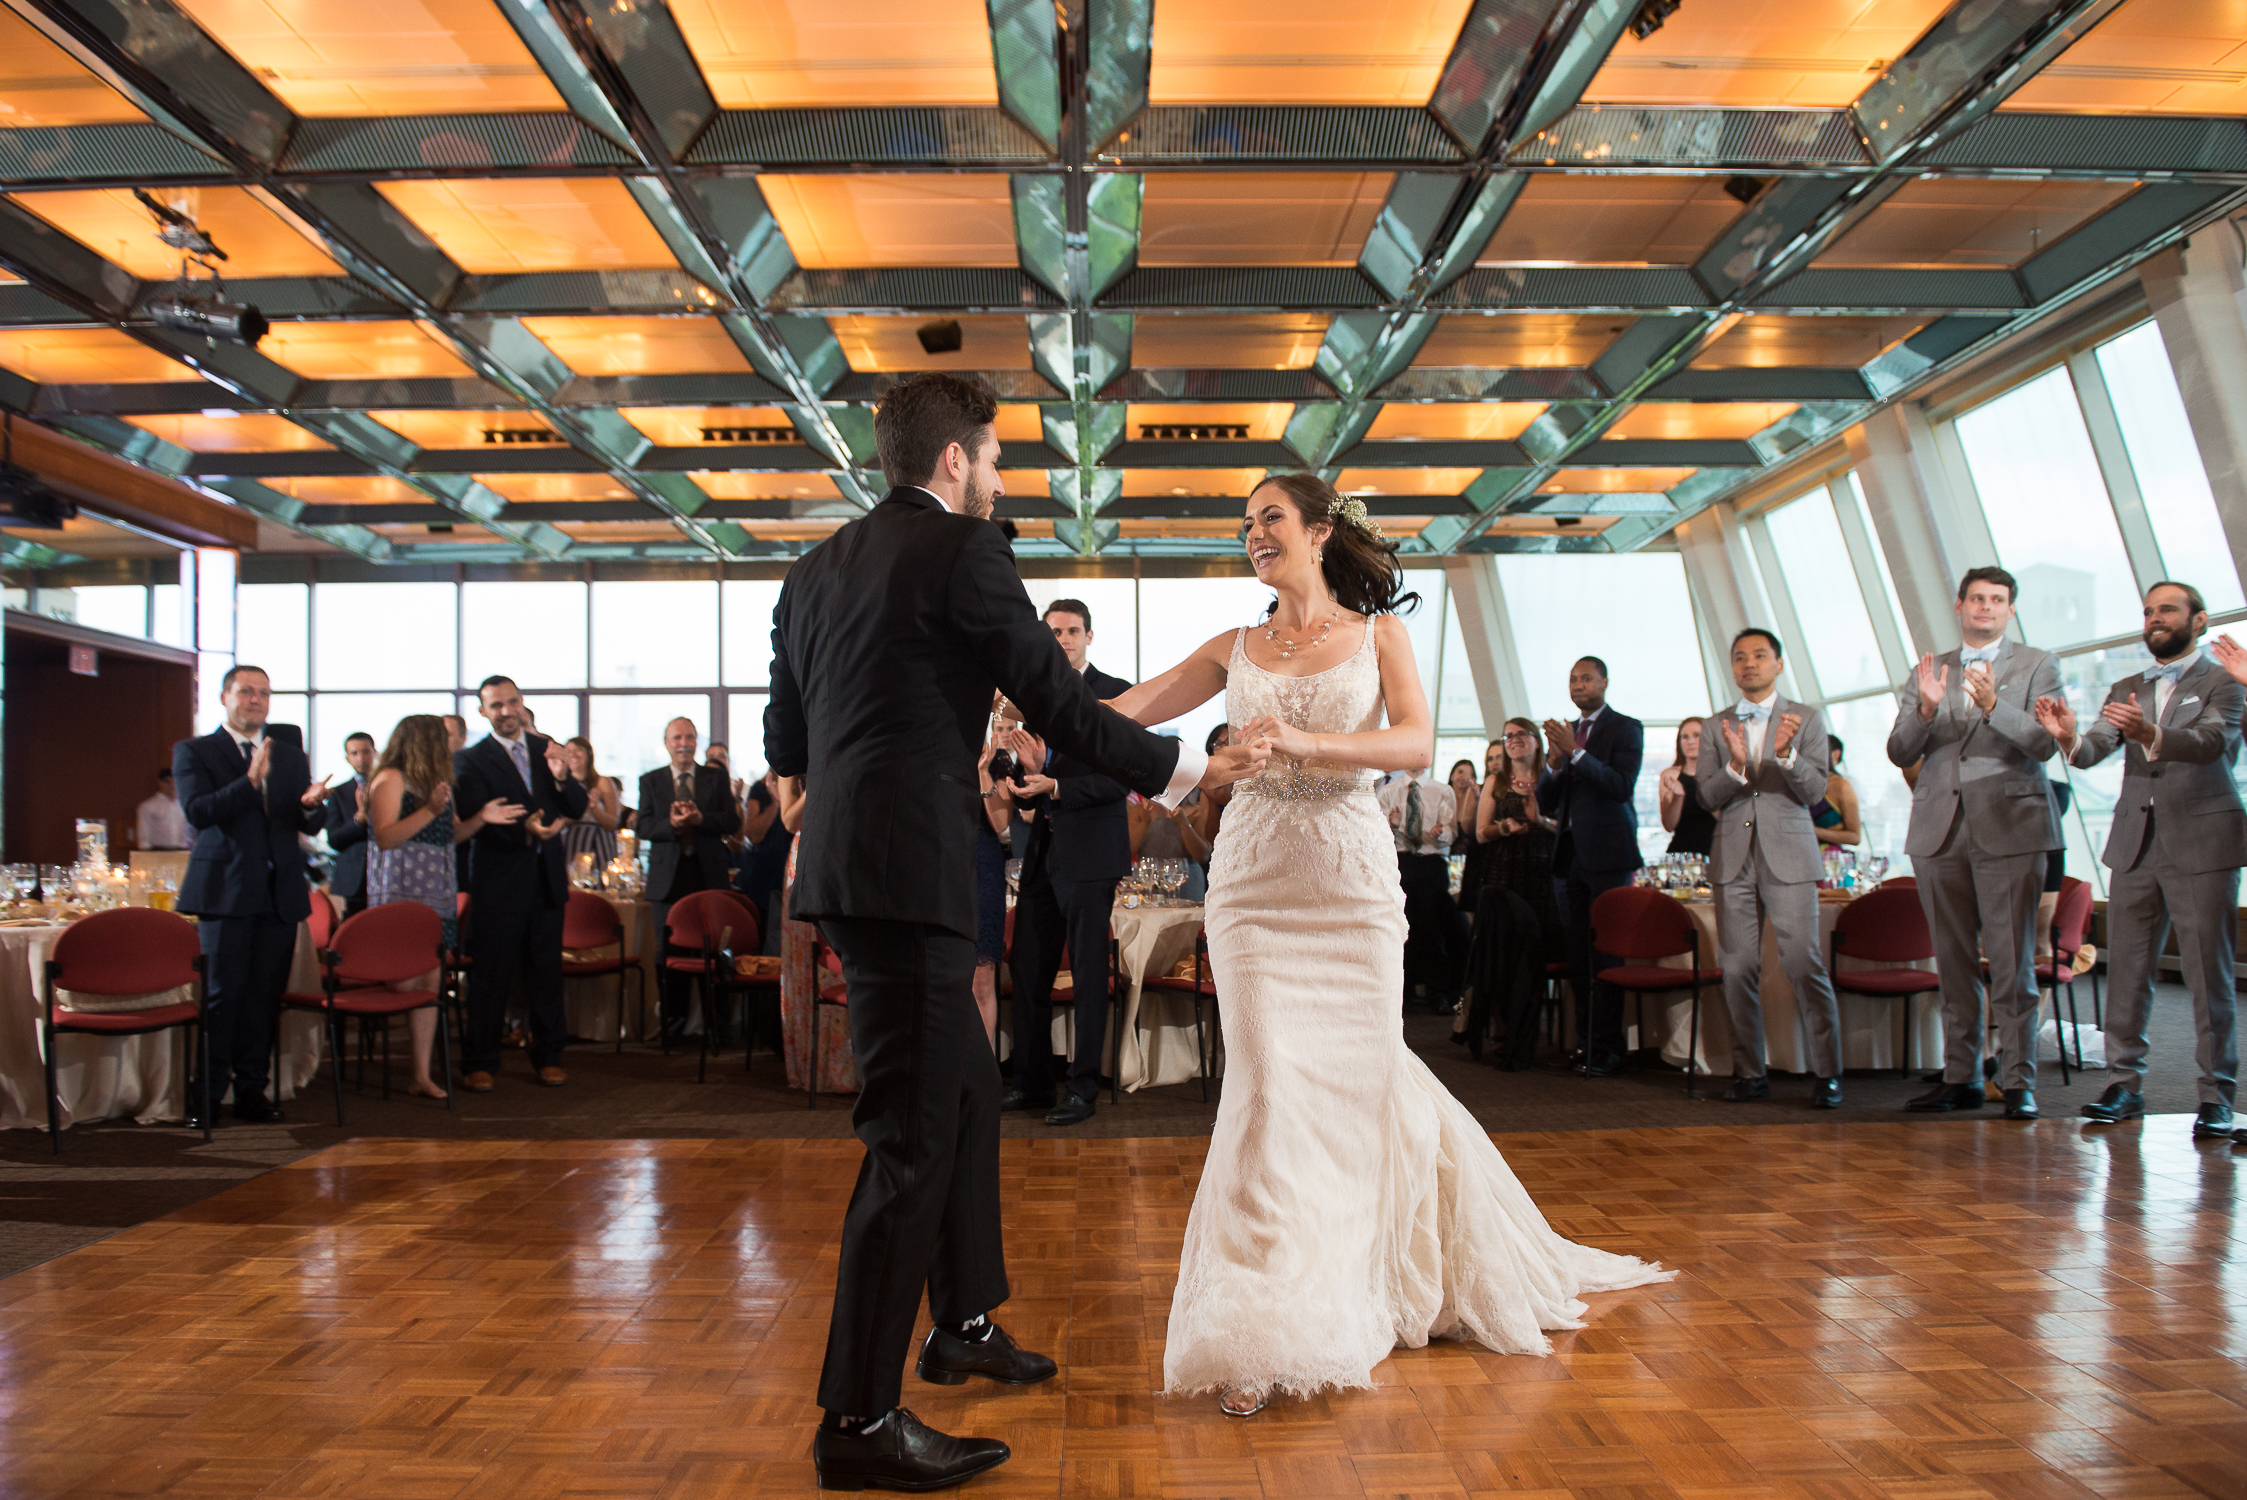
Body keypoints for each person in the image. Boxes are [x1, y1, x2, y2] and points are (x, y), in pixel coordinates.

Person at [765, 370, 1242, 1491]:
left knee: (968, 1091)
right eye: (993, 458)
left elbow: (791, 734)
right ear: (953, 464)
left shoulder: (810, 569)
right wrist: (1177, 770)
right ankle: (859, 1422)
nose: (999, 477)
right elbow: (1061, 703)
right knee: (912, 1136)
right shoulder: (967, 552)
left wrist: (920, 745)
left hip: (848, 865)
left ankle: (962, 1323)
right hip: (908, 874)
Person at [1106, 471, 1667, 1416]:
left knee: (1361, 1090)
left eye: (1270, 518)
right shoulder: (1231, 646)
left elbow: (1412, 744)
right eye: (1245, 524)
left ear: (1320, 531)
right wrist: (1044, 714)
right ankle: (1263, 1318)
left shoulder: (1379, 634)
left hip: (1348, 892)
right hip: (1251, 890)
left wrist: (1304, 746)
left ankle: (1372, 1275)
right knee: (1267, 1092)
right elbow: (1123, 712)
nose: (1254, 534)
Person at [2045, 582, 2245, 1139]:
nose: (2154, 619)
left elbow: (2211, 743)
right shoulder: (2128, 684)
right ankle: (2123, 1084)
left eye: (2168, 610)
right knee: (2128, 971)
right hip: (2135, 844)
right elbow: (2094, 751)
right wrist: (2067, 738)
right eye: (2148, 611)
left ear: (2199, 621)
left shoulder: (2227, 681)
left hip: (2204, 841)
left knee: (2209, 973)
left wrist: (2151, 731)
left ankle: (2216, 1097)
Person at [1886, 566, 2061, 1121]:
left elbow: (2043, 743)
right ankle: (1960, 1075)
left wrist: (1992, 707)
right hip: (1939, 828)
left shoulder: (2038, 664)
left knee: (2011, 962)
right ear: (1958, 606)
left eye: (1997, 600)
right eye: (1977, 599)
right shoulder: (1930, 669)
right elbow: (1898, 750)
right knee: (1953, 962)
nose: (1986, 607)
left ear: (2010, 610)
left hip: (2012, 825)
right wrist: (1927, 708)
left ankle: (2017, 1080)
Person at [172, 665, 328, 1124]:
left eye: (263, 693)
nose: (255, 700)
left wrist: (311, 807)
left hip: (279, 893)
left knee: (264, 997)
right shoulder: (195, 751)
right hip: (225, 893)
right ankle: (208, 1096)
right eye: (245, 692)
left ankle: (252, 1093)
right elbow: (199, 813)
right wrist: (250, 783)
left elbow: (305, 827)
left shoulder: (290, 755)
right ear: (224, 697)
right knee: (223, 997)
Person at [1696, 629, 1844, 1108]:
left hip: (1790, 852)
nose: (1749, 664)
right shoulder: (1716, 724)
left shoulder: (1806, 719)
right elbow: (1706, 796)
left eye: (1760, 656)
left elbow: (1816, 792)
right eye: (1739, 657)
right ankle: (1749, 1071)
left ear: (1778, 663)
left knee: (1803, 961)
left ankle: (1828, 1072)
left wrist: (1787, 756)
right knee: (1737, 967)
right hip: (1733, 853)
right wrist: (1737, 768)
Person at [1002, 598, 1136, 1127]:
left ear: (1089, 636)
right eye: (1053, 631)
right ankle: (1032, 1085)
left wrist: (1056, 783)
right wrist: (1024, 779)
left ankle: (1082, 1090)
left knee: (1085, 973)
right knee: (1028, 967)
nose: (1063, 640)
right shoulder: (1034, 700)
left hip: (1091, 850)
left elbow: (1123, 776)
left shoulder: (1117, 693)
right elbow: (1027, 788)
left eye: (1072, 631)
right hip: (1040, 852)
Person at [364, 714, 519, 1102]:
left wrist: (481, 819)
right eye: (443, 738)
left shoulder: (435, 786)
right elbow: (385, 837)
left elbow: (454, 835)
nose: (451, 745)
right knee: (402, 980)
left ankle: (421, 1072)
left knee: (431, 983)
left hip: (436, 894)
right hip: (400, 893)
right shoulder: (391, 779)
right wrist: (430, 810)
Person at [453, 675, 587, 1093]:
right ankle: (480, 1061)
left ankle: (549, 1056)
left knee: (546, 974)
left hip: (546, 880)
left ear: (522, 703)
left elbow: (575, 806)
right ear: (482, 712)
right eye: (496, 705)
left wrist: (563, 778)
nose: (506, 711)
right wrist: (527, 828)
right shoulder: (470, 760)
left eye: (512, 702)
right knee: (490, 977)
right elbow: (479, 815)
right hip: (498, 882)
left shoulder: (546, 747)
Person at [1537, 656, 1646, 1077]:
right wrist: (1554, 764)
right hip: (1569, 857)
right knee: (1579, 956)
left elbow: (1620, 786)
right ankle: (1583, 1042)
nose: (1579, 684)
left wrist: (1577, 753)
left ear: (1604, 682)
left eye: (1586, 678)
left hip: (1608, 855)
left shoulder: (1625, 727)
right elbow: (1547, 801)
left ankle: (1609, 1047)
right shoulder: (1568, 734)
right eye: (1572, 679)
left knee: (1607, 955)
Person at [1457, 717, 1560, 1063]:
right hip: (1502, 877)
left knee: (1533, 958)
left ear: (1536, 741)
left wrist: (1539, 820)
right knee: (1503, 957)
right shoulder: (1495, 783)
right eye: (1508, 736)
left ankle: (1527, 1035)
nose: (1514, 741)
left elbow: (1564, 826)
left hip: (1541, 877)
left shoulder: (1550, 780)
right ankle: (1502, 1033)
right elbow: (1480, 832)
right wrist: (1503, 827)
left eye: (1521, 735)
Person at [640, 717, 743, 1044]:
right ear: (667, 742)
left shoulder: (716, 776)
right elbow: (643, 826)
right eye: (677, 737)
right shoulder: (651, 780)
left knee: (715, 952)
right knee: (666, 956)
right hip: (666, 881)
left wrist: (702, 819)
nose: (684, 743)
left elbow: (730, 820)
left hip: (708, 875)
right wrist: (670, 824)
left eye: (689, 737)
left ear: (696, 741)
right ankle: (673, 1026)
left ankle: (719, 1028)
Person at [1378, 767, 1469, 1013]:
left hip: (1432, 862)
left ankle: (1437, 992)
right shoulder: (1388, 792)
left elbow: (1452, 833)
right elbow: (1375, 834)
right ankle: (1400, 994)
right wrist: (1392, 825)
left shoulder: (1442, 790)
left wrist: (1440, 834)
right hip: (1400, 861)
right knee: (1398, 927)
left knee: (1432, 927)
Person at [323, 731, 377, 915]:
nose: (361, 758)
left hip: (388, 871)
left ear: (374, 752)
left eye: (365, 752)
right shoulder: (337, 793)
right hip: (354, 877)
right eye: (354, 753)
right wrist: (357, 820)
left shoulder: (388, 786)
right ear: (347, 758)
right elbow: (334, 840)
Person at [556, 736, 621, 871]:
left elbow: (613, 823)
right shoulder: (562, 784)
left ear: (589, 753)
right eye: (568, 751)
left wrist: (594, 809)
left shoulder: (602, 782)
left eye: (578, 750)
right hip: (572, 841)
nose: (573, 754)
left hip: (600, 841)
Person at [1658, 718, 1715, 856]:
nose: (1690, 741)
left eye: (1697, 735)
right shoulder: (1670, 775)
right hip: (1683, 855)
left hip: (1720, 855)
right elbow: (1669, 825)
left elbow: (1728, 820)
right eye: (1685, 737)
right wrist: (1679, 797)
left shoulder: (1723, 774)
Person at [1448, 754, 1489, 913]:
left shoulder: (1475, 797)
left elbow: (1466, 828)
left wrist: (1473, 798)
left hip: (1468, 856)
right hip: (1442, 853)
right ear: (1452, 775)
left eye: (1469, 774)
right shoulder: (1443, 796)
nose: (1464, 777)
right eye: (1460, 772)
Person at [1814, 736, 1862, 847]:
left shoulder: (1841, 785)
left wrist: (1812, 831)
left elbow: (1855, 837)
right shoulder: (1796, 783)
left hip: (1829, 858)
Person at [134, 767, 191, 850]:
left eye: (174, 781)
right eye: (167, 782)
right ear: (160, 782)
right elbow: (143, 837)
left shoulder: (186, 805)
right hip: (158, 852)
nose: (172, 786)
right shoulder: (148, 806)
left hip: (184, 851)